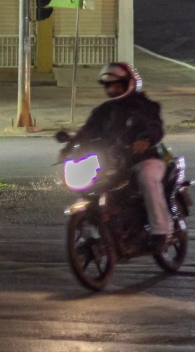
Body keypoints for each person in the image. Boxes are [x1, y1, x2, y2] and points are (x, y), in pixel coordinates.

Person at [72, 62, 171, 249]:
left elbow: (154, 126)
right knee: (89, 186)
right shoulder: (103, 112)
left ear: (129, 84)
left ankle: (161, 232)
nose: (113, 89)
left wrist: (145, 139)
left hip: (144, 159)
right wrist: (71, 146)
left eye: (118, 84)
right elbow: (87, 131)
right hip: (114, 163)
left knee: (147, 178)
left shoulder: (146, 106)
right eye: (110, 85)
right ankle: (95, 233)